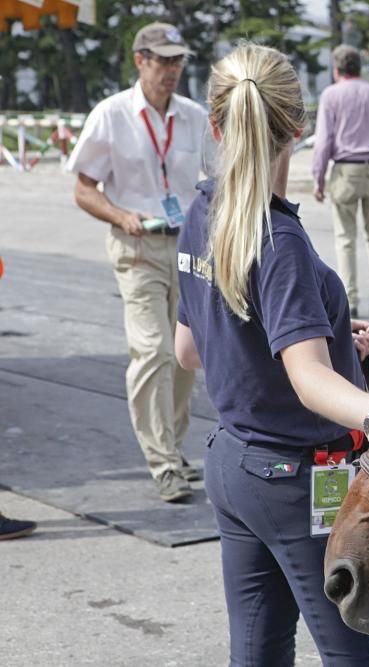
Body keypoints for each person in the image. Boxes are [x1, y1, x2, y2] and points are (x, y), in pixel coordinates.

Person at [174, 43, 369, 666]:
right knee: (356, 655)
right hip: (294, 478)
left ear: (216, 126)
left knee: (258, 650)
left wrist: (320, 326)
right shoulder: (280, 239)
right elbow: (307, 379)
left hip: (232, 464)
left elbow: (190, 348)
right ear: (297, 128)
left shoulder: (203, 212)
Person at [66, 22, 214, 503]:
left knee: (185, 356)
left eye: (178, 61)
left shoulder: (194, 116)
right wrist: (120, 214)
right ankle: (163, 461)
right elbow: (84, 189)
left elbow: (219, 177)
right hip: (137, 249)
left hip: (190, 247)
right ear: (140, 60)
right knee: (152, 349)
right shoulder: (111, 115)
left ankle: (170, 443)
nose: (172, 70)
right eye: (163, 60)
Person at [312, 44, 369, 317]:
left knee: (345, 238)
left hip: (345, 171)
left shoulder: (331, 95)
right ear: (359, 68)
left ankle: (350, 299)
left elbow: (323, 142)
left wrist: (318, 178)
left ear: (336, 69)